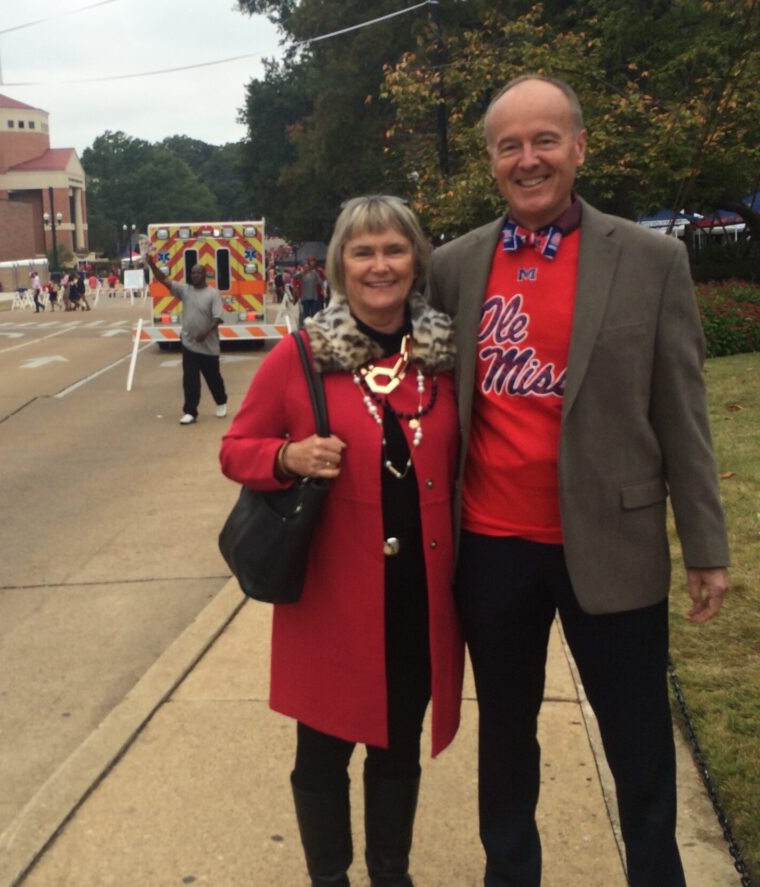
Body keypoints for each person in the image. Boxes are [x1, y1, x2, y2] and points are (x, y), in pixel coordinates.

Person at [427, 75, 730, 887]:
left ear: (580, 147)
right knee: (507, 739)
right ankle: (511, 874)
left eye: (545, 141)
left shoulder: (652, 261)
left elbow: (684, 414)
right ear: (491, 161)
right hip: (492, 550)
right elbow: (393, 366)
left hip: (614, 543)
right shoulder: (453, 268)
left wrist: (706, 545)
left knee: (638, 743)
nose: (528, 160)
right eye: (509, 146)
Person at [220, 196, 463, 886]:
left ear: (416, 261)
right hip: (331, 599)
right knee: (322, 755)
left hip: (418, 595)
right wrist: (286, 459)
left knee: (398, 750)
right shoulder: (301, 356)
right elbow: (237, 449)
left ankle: (392, 873)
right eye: (363, 252)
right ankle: (329, 876)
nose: (380, 265)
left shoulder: (442, 357)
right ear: (338, 267)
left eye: (394, 249)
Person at [145, 255, 229, 425]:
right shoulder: (185, 290)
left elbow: (218, 318)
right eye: (192, 273)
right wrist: (152, 264)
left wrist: (205, 333)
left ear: (204, 275)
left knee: (213, 378)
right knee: (190, 380)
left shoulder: (213, 294)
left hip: (209, 347)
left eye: (198, 273)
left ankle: (221, 401)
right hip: (189, 344)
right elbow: (164, 279)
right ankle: (190, 411)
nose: (195, 276)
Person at [295, 256, 326, 322]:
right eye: (305, 267)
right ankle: (306, 326)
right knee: (306, 314)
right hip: (305, 297)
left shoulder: (315, 273)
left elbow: (321, 281)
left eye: (307, 267)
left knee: (314, 313)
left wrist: (323, 290)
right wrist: (301, 271)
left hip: (314, 296)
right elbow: (295, 276)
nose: (306, 268)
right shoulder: (302, 274)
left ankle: (314, 325)